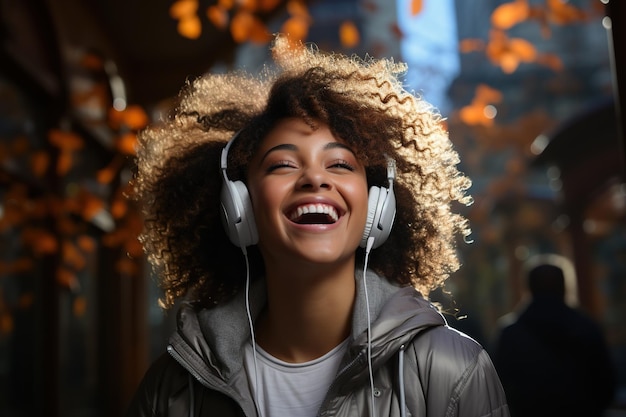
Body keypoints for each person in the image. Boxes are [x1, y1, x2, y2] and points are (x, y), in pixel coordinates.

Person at [125, 34, 510, 417]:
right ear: (238, 206)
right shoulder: (172, 390)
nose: (315, 179)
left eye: (340, 164)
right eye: (283, 165)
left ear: (379, 206)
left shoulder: (452, 371)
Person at [492, 254, 616, 417]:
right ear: (565, 286)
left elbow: (498, 389)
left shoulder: (511, 333)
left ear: (528, 288)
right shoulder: (586, 328)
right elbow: (606, 384)